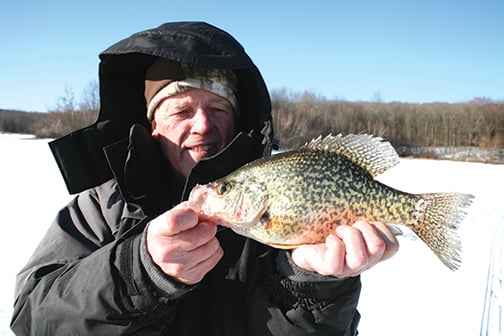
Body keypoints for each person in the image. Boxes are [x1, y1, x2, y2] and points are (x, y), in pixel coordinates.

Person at [10, 22, 399, 335]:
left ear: (239, 119)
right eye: (181, 111)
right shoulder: (101, 208)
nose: (203, 126)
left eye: (217, 107)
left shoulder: (266, 191)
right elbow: (32, 319)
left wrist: (315, 285)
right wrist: (137, 270)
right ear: (153, 125)